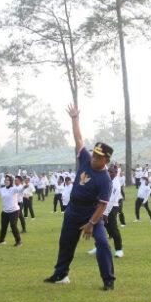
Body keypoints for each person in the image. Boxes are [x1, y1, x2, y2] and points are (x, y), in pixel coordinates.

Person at [44, 104, 115, 291]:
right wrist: (75, 119)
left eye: (99, 156)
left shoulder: (105, 179)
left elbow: (102, 205)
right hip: (73, 210)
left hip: (92, 213)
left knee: (102, 243)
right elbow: (78, 139)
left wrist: (91, 224)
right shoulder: (85, 159)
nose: (93, 157)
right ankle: (61, 274)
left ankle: (108, 280)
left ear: (106, 160)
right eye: (94, 153)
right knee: (65, 242)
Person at [89, 165, 124, 258]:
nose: (109, 173)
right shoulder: (108, 180)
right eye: (108, 171)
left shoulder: (115, 184)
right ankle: (99, 247)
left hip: (112, 207)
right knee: (99, 228)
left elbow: (111, 200)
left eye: (112, 172)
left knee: (113, 228)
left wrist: (105, 213)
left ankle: (119, 249)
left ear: (116, 173)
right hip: (103, 207)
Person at [0, 174, 23, 247]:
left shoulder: (13, 189)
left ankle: (19, 241)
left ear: (11, 181)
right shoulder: (3, 189)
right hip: (5, 211)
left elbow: (20, 189)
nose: (6, 181)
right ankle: (1, 240)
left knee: (13, 225)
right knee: (3, 227)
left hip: (14, 211)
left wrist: (25, 186)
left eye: (8, 180)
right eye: (5, 180)